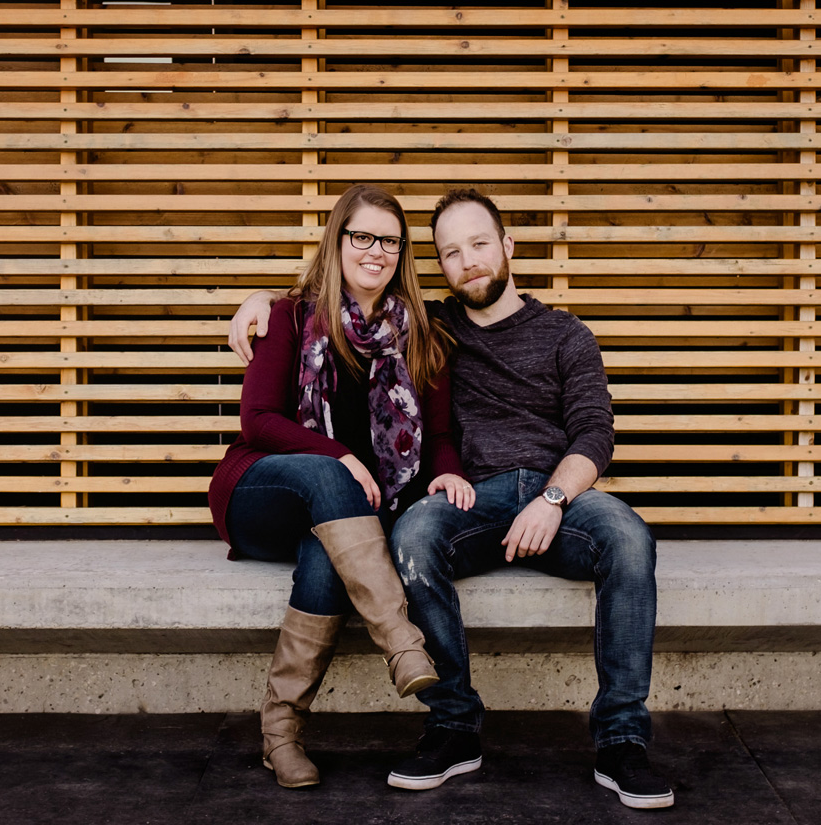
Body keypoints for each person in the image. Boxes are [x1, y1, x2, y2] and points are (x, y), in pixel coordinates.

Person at [228, 188, 673, 810]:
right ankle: (453, 726)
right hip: (471, 501)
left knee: (629, 536)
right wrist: (261, 305)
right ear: (438, 264)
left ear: (508, 247)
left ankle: (623, 743)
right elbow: (325, 315)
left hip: (558, 496)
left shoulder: (562, 334)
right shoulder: (429, 326)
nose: (468, 261)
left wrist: (552, 497)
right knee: (411, 535)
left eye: (480, 244)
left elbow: (595, 433)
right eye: (451, 252)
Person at [209, 184, 476, 789]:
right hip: (261, 491)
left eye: (390, 240)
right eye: (363, 236)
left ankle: (280, 735)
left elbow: (435, 436)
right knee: (332, 479)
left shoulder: (420, 334)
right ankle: (401, 643)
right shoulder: (289, 317)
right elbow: (258, 421)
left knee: (327, 557)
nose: (376, 251)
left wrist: (450, 470)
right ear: (338, 240)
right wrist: (342, 458)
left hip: (342, 518)